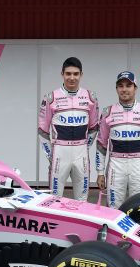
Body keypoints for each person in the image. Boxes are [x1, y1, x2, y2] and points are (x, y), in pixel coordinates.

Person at [96, 71, 140, 209]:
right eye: (120, 86)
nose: (124, 89)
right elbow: (101, 145)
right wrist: (100, 172)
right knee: (113, 207)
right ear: (116, 89)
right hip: (116, 165)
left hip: (138, 165)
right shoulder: (107, 112)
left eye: (128, 85)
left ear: (135, 88)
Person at [38, 57, 99, 199]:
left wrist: (85, 147)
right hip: (59, 152)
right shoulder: (51, 98)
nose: (72, 78)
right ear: (62, 74)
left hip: (81, 153)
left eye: (76, 74)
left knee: (82, 199)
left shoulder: (90, 97)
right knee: (54, 198)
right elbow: (43, 131)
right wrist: (50, 154)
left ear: (81, 75)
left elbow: (94, 127)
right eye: (68, 74)